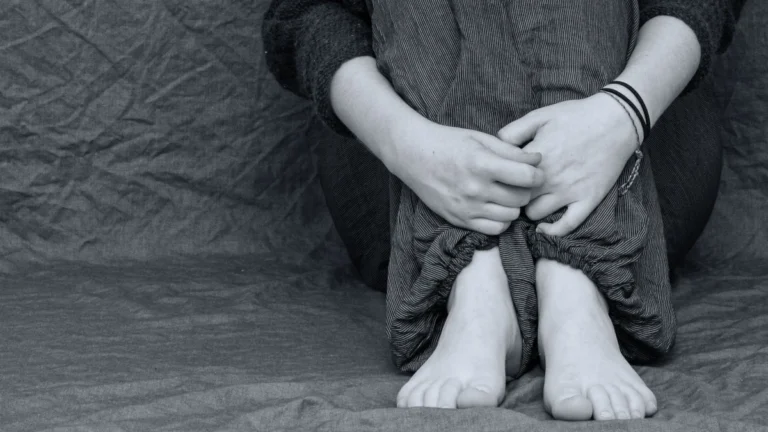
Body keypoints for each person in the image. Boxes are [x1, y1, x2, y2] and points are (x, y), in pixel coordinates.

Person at [263, 0, 744, 421]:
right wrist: (408, 145)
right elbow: (306, 12)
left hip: (638, 146)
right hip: (398, 163)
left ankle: (578, 284)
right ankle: (473, 276)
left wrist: (623, 112)